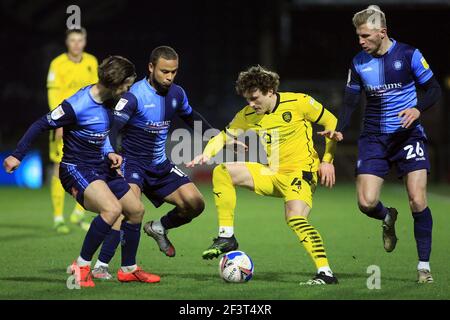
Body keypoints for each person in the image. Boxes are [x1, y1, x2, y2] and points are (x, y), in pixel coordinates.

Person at [3, 56, 160, 288]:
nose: (128, 90)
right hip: (77, 168)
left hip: (101, 166)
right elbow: (40, 124)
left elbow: (102, 133)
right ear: (116, 83)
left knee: (136, 210)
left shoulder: (109, 101)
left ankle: (128, 269)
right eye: (127, 85)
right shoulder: (76, 105)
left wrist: (109, 152)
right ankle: (81, 265)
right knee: (112, 209)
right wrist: (18, 154)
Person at [187, 65, 340, 285]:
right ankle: (226, 236)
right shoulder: (248, 114)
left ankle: (325, 273)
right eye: (247, 99)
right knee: (223, 171)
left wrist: (327, 161)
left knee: (295, 218)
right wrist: (207, 153)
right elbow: (222, 136)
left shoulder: (299, 102)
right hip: (272, 173)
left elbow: (331, 122)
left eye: (254, 98)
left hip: (301, 173)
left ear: (270, 91)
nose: (251, 104)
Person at [323, 5, 441, 284]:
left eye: (365, 35)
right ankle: (388, 216)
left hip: (408, 135)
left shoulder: (409, 54)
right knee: (366, 203)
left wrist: (418, 110)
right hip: (374, 137)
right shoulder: (358, 62)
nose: (360, 41)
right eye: (358, 36)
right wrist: (339, 129)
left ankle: (423, 266)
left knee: (417, 198)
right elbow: (351, 100)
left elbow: (434, 88)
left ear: (382, 32)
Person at [90, 46, 215, 279]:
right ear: (151, 68)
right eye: (164, 71)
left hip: (160, 165)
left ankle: (159, 227)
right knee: (127, 209)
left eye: (174, 72)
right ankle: (102, 266)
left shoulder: (177, 94)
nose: (169, 77)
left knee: (195, 204)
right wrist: (109, 154)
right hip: (132, 164)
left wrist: (219, 139)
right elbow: (113, 128)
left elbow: (191, 118)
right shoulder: (133, 96)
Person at [47, 28, 98, 234]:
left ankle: (78, 213)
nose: (76, 44)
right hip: (64, 122)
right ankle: (58, 217)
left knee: (91, 166)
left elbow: (96, 91)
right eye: (73, 40)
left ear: (84, 42)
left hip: (86, 124)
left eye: (80, 40)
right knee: (59, 168)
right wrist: (58, 123)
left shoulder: (91, 62)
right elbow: (53, 95)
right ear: (67, 43)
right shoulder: (57, 64)